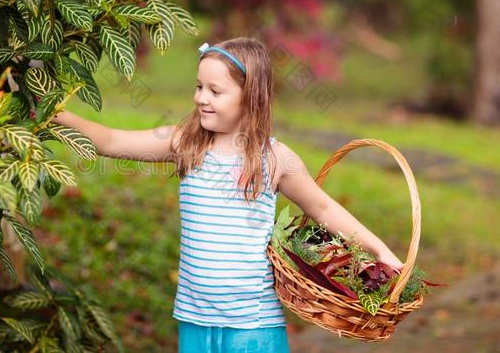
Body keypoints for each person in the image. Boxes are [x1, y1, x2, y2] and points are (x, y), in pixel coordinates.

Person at [50, 37, 404, 352]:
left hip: (253, 327)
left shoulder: (275, 159)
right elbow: (111, 141)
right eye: (199, 87)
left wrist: (381, 251)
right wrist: (55, 114)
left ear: (250, 96)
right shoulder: (184, 143)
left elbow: (323, 207)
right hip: (195, 318)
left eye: (215, 91)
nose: (201, 98)